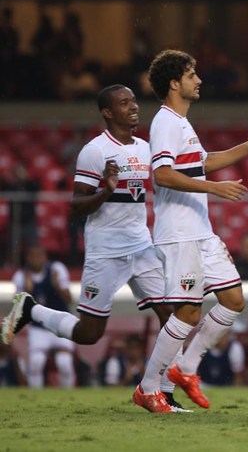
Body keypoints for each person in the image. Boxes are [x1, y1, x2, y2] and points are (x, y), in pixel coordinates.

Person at [1, 84, 184, 410]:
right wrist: (105, 190)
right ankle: (30, 309)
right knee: (88, 334)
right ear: (107, 112)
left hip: (142, 245)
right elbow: (76, 206)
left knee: (172, 317)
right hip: (106, 251)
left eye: (134, 101)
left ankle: (160, 392)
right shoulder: (95, 151)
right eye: (124, 103)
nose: (133, 107)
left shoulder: (145, 147)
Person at [136, 49, 248, 412]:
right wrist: (216, 189)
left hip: (200, 230)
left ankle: (185, 369)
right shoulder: (165, 122)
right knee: (187, 313)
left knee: (233, 300)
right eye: (191, 74)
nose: (198, 80)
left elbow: (202, 163)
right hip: (179, 233)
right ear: (174, 83)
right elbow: (163, 175)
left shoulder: (182, 124)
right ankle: (148, 388)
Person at [6, 245, 75, 388]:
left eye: (39, 255)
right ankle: (36, 398)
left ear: (45, 257)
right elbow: (18, 308)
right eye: (33, 256)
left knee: (64, 362)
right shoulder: (20, 276)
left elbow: (69, 299)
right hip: (39, 326)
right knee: (36, 361)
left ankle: (69, 395)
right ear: (28, 259)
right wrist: (27, 290)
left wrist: (57, 285)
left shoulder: (57, 269)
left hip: (59, 322)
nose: (36, 259)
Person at [1, 162, 40, 265]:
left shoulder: (30, 185)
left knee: (33, 246)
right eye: (18, 172)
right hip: (15, 222)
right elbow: (4, 188)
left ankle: (34, 265)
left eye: (22, 171)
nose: (20, 174)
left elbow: (36, 188)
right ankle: (11, 265)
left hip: (29, 221)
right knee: (12, 246)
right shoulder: (12, 186)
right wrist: (8, 178)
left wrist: (26, 179)